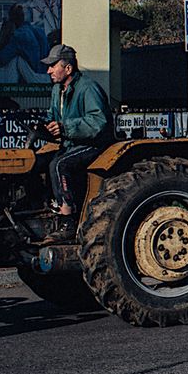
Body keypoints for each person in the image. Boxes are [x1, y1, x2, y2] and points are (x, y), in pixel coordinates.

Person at [39, 44, 114, 243]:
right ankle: (44, 210)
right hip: (72, 143)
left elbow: (98, 122)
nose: (48, 71)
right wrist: (46, 125)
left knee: (59, 165)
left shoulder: (88, 88)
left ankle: (68, 221)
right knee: (38, 161)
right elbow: (53, 116)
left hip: (94, 144)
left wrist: (65, 127)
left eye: (53, 66)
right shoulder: (58, 90)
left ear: (68, 69)